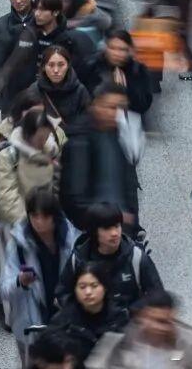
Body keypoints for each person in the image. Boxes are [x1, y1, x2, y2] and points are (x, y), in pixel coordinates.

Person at [0, 187, 78, 366]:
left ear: (54, 216)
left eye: (44, 216)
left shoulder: (70, 242)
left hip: (65, 325)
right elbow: (5, 289)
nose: (39, 222)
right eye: (34, 216)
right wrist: (20, 281)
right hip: (30, 326)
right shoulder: (19, 246)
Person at [57, 202, 163, 318]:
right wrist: (81, 310)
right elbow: (62, 293)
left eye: (117, 226)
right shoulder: (78, 260)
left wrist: (131, 311)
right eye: (107, 228)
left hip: (129, 329)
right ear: (94, 231)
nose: (114, 233)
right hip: (89, 329)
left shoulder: (136, 257)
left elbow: (157, 294)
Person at [60, 84, 144, 232]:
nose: (116, 114)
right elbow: (73, 196)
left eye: (121, 108)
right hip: (93, 230)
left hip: (122, 229)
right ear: (95, 106)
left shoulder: (122, 136)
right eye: (111, 107)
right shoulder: (79, 141)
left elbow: (129, 184)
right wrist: (108, 218)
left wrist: (133, 221)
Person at [87, 289, 192, 369]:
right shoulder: (116, 343)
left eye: (170, 322)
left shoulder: (190, 345)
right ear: (142, 316)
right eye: (159, 321)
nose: (164, 328)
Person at [49, 259, 123, 364]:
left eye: (94, 286)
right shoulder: (62, 322)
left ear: (105, 287)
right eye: (82, 287)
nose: (88, 292)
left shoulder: (120, 318)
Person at [84, 30, 153, 116]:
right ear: (106, 48)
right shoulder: (92, 65)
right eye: (112, 48)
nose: (116, 54)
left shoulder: (138, 70)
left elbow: (144, 105)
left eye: (122, 49)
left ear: (129, 51)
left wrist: (126, 89)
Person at [36, 46, 90, 130]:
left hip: (73, 138)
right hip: (43, 138)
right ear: (43, 67)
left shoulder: (80, 91)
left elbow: (86, 121)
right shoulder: (35, 90)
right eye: (51, 65)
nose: (56, 70)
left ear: (68, 66)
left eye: (61, 65)